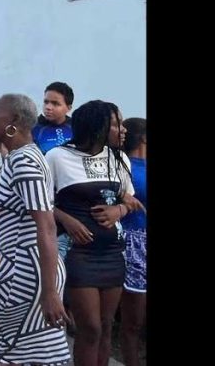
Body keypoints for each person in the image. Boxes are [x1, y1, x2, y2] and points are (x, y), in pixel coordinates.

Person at [0, 93, 70, 365]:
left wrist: (49, 292)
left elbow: (47, 226)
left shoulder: (26, 163)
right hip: (22, 267)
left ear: (13, 120)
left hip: (26, 271)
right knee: (18, 352)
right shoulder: (16, 159)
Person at [47, 100, 141, 366]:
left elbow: (129, 201)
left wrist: (118, 211)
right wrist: (67, 219)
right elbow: (41, 203)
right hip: (78, 254)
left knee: (106, 325)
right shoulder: (57, 157)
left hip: (113, 253)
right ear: (97, 127)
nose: (122, 129)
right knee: (90, 328)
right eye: (115, 123)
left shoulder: (119, 158)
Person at [119, 117, 146, 366]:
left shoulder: (123, 166)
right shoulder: (129, 167)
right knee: (133, 322)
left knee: (134, 323)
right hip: (135, 244)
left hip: (135, 243)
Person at [32, 81, 74, 154]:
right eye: (46, 102)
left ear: (69, 108)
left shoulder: (77, 127)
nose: (48, 107)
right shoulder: (32, 128)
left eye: (55, 103)